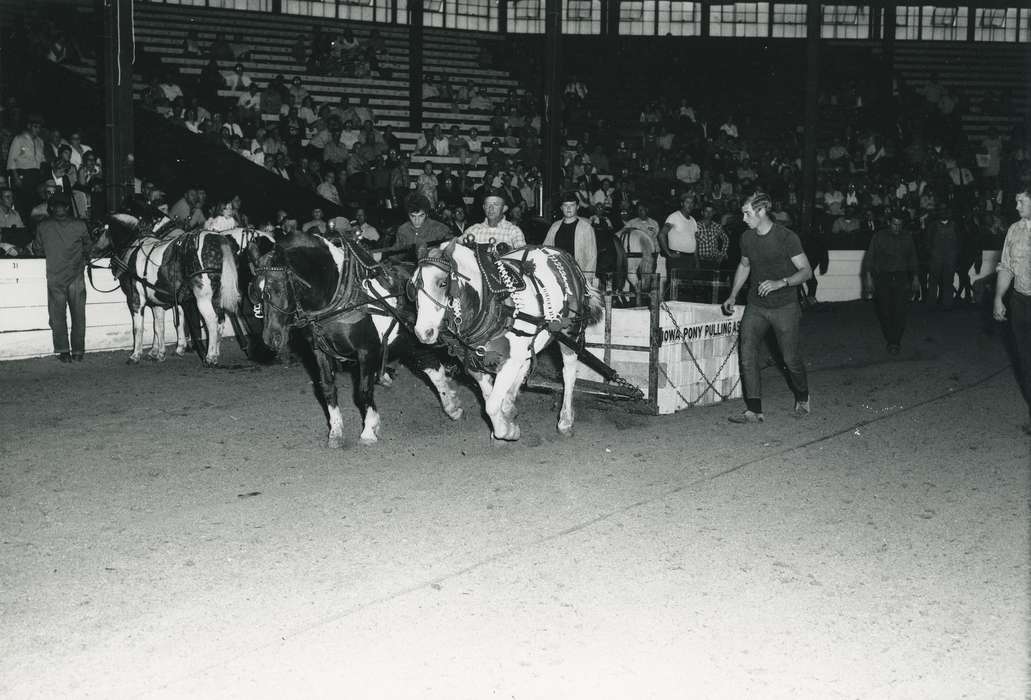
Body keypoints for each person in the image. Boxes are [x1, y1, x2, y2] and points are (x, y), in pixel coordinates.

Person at [721, 191, 812, 424]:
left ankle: (802, 397)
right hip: (756, 305)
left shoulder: (786, 237)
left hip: (785, 306)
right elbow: (744, 265)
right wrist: (732, 295)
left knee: (790, 359)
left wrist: (781, 282)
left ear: (761, 212)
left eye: (747, 213)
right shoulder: (747, 238)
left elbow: (806, 271)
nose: (743, 218)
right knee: (747, 355)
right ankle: (754, 410)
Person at [31, 193, 90, 362]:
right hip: (76, 276)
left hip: (55, 276)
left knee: (57, 316)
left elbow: (38, 250)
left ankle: (64, 352)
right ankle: (78, 352)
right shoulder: (80, 225)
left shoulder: (43, 226)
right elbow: (88, 247)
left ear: (51, 208)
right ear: (68, 207)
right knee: (79, 315)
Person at [993, 189, 1031, 435]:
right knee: (1026, 363)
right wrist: (998, 297)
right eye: (1016, 200)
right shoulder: (1014, 230)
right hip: (1020, 302)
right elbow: (1006, 266)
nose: (1016, 206)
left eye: (1022, 201)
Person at [863, 213, 922, 354]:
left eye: (900, 225)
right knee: (884, 310)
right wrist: (869, 278)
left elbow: (913, 259)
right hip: (883, 277)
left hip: (902, 277)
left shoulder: (907, 237)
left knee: (900, 310)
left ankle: (894, 342)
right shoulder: (878, 237)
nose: (897, 227)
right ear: (889, 223)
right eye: (894, 224)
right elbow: (870, 259)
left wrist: (915, 278)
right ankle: (890, 338)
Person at [543, 192, 597, 288]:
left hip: (579, 275)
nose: (568, 208)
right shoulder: (555, 227)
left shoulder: (586, 228)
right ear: (561, 208)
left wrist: (587, 280)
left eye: (572, 205)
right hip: (558, 275)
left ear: (577, 207)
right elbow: (545, 250)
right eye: (565, 205)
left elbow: (592, 256)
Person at [658, 192, 699, 297]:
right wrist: (668, 253)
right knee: (674, 290)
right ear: (682, 203)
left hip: (690, 260)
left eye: (692, 203)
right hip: (677, 258)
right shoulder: (674, 217)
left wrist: (696, 260)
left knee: (687, 290)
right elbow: (661, 235)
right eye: (687, 202)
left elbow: (695, 241)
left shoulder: (693, 220)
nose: (689, 205)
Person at [393, 193, 452, 260]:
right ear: (408, 214)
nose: (417, 220)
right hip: (409, 267)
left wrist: (440, 252)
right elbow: (397, 252)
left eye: (421, 216)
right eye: (413, 216)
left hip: (433, 267)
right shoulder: (403, 230)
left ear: (426, 214)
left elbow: (451, 252)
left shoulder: (440, 229)